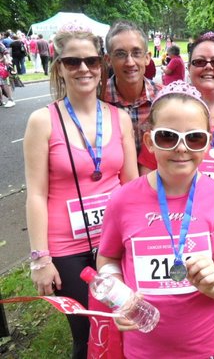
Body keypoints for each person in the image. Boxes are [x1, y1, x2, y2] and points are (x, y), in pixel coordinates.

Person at [97, 80, 214, 358]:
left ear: (207, 143)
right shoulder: (122, 200)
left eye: (194, 138)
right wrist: (118, 296)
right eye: (168, 136)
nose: (181, 148)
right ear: (149, 141)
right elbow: (107, 258)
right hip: (142, 348)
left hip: (204, 345)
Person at [23, 26, 138, 359]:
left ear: (101, 65)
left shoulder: (119, 118)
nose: (83, 69)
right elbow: (35, 195)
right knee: (87, 332)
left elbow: (130, 186)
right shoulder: (42, 121)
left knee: (124, 320)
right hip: (67, 249)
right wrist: (39, 259)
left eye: (90, 60)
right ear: (59, 65)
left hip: (114, 242)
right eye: (73, 61)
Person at [138, 31, 214, 196]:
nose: (208, 66)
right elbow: (148, 171)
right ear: (189, 68)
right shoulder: (168, 109)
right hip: (182, 217)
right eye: (200, 62)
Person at [103, 20, 162, 155]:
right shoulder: (96, 99)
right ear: (108, 60)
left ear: (147, 58)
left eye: (136, 53)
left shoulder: (164, 98)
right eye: (120, 54)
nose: (130, 62)